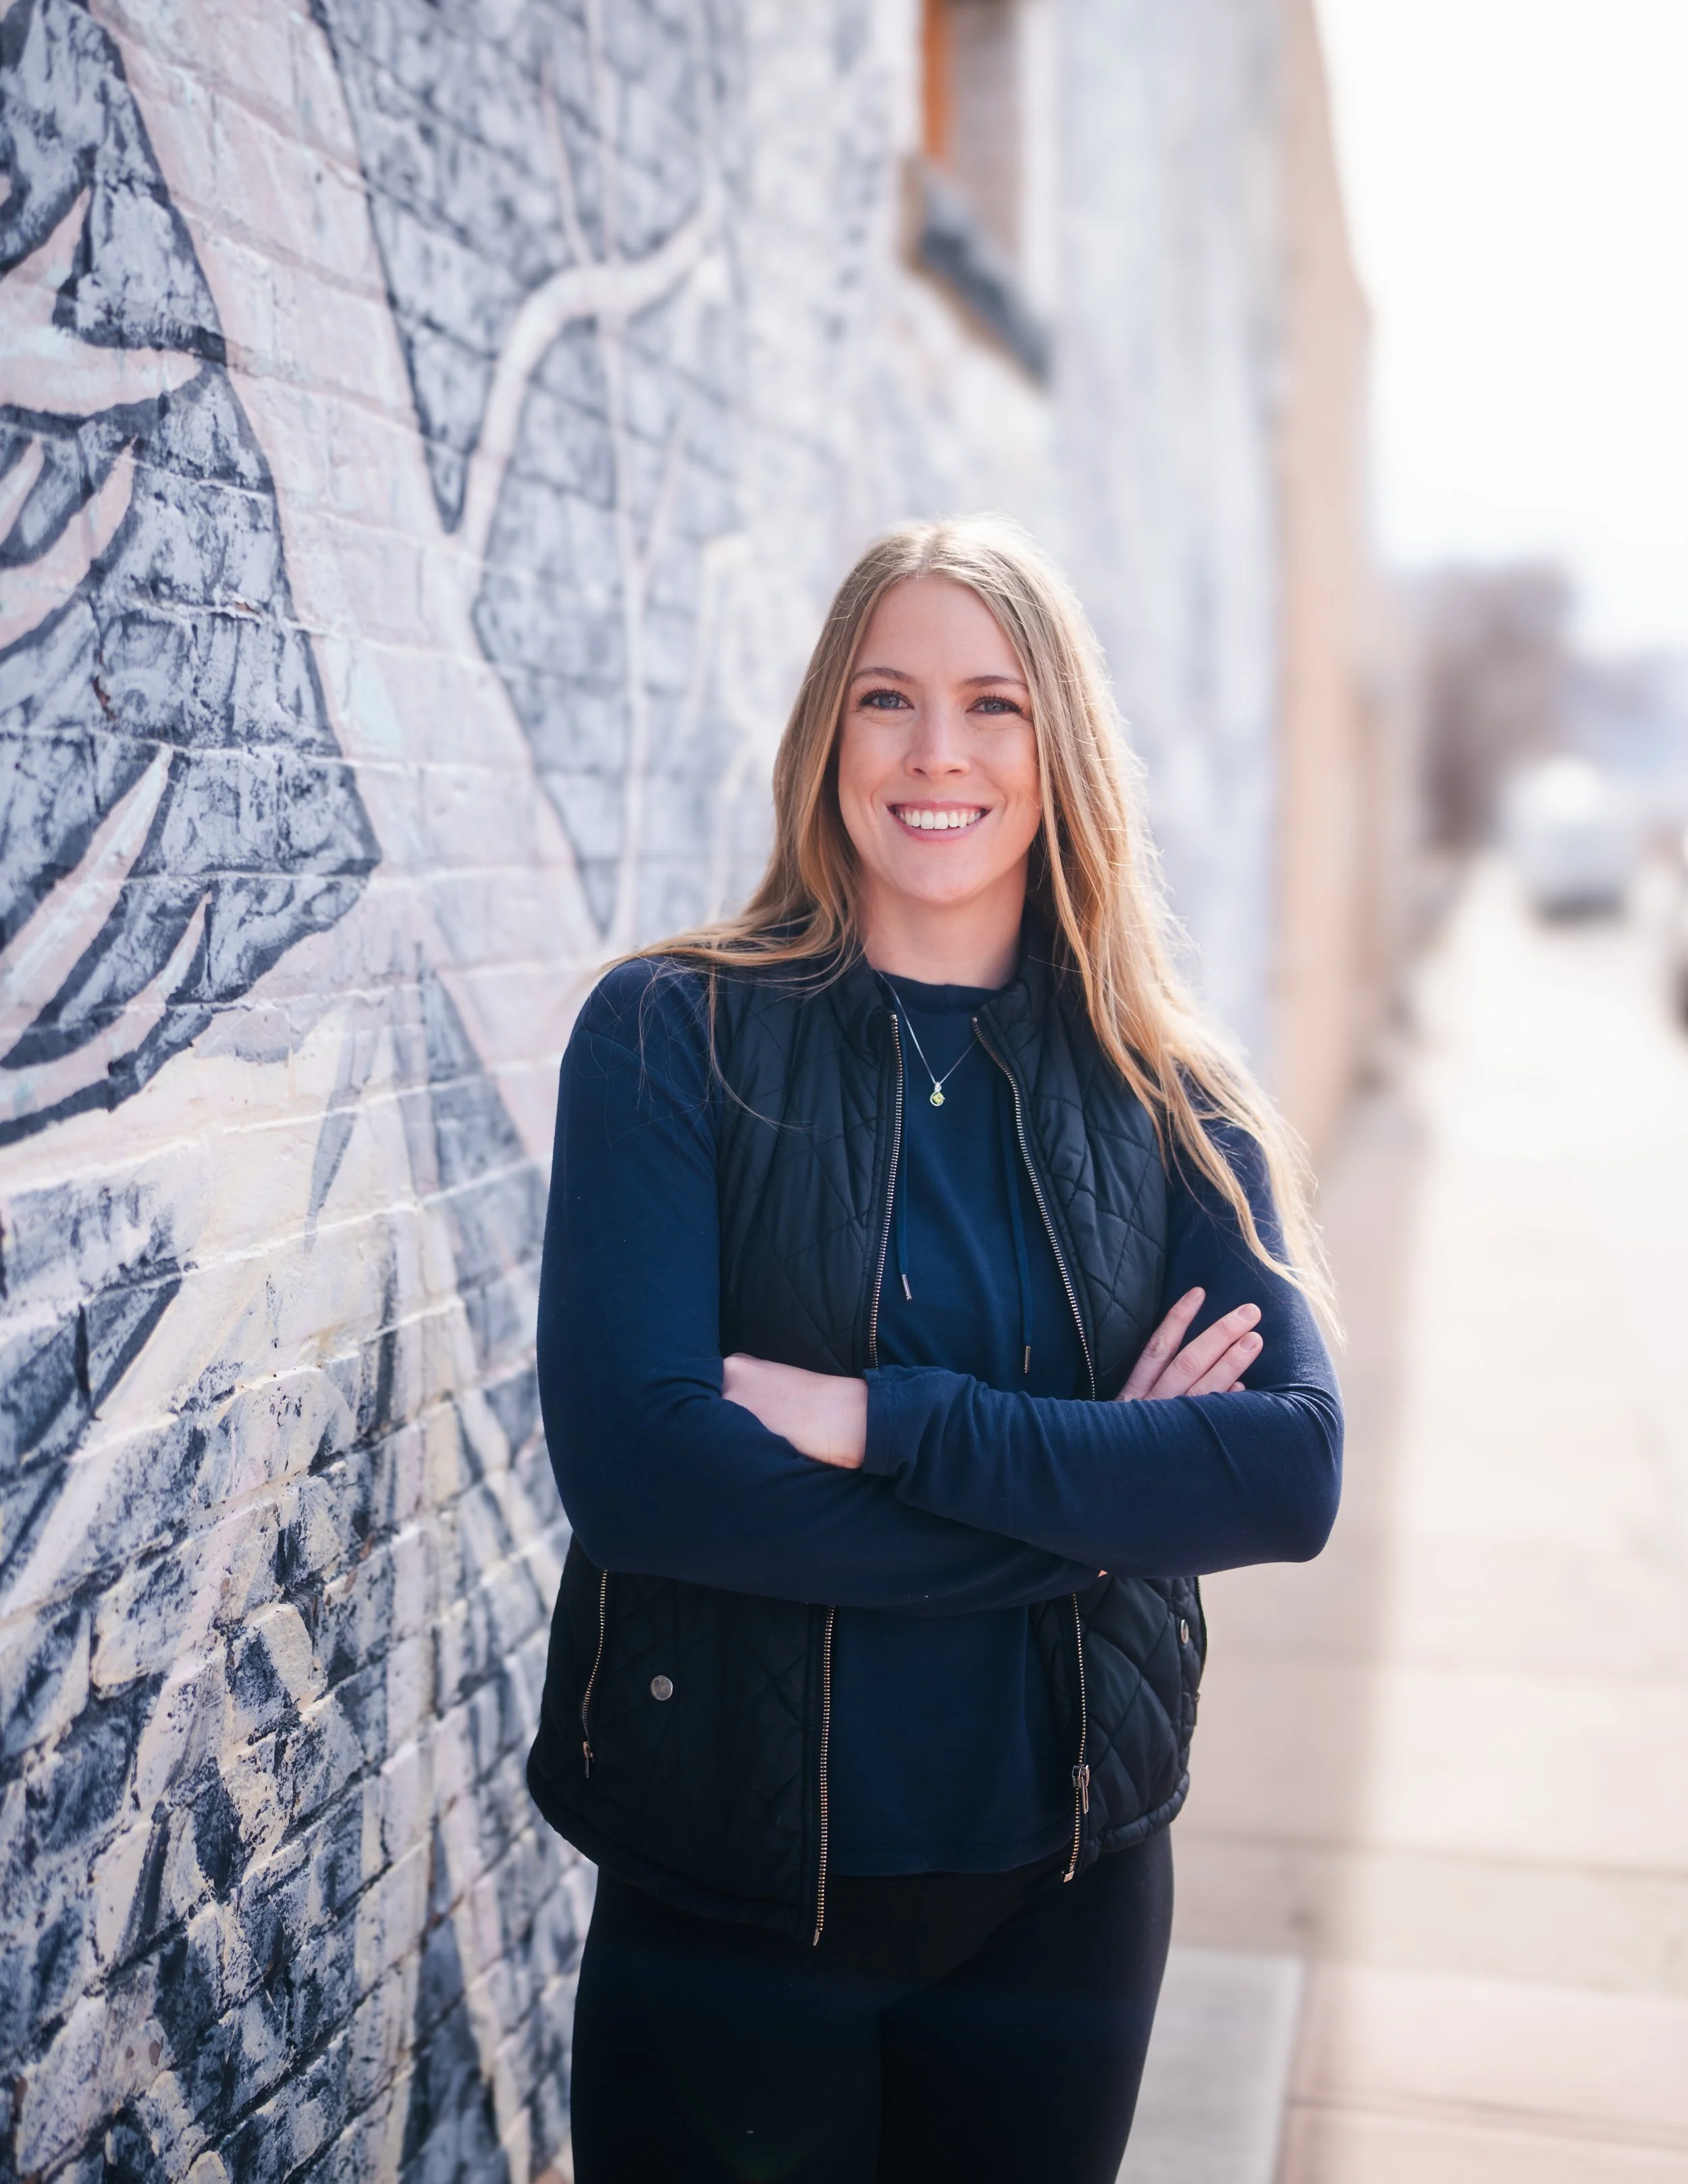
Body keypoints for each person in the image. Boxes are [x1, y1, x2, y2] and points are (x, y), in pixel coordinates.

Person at [529, 515, 1343, 2184]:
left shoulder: (1165, 1096)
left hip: (1066, 1902)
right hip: (728, 1904)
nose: (934, 754)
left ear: (1060, 751)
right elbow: (647, 1482)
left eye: (992, 705)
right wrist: (1097, 1509)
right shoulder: (670, 1036)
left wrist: (875, 1417)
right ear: (826, 733)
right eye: (885, 699)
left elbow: (1285, 1468)